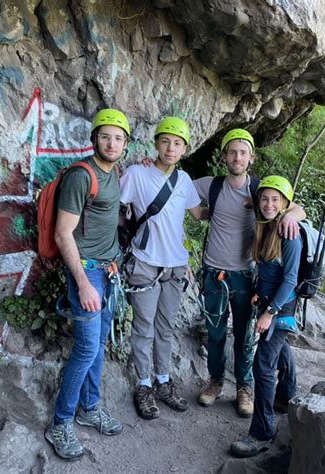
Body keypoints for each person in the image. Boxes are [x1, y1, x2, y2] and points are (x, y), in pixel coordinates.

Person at [193, 130, 305, 417]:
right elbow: (175, 187)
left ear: (251, 158)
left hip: (245, 276)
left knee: (244, 336)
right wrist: (204, 213)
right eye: (232, 152)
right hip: (214, 273)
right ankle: (215, 381)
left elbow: (291, 205)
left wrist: (292, 215)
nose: (237, 157)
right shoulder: (212, 186)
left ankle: (244, 387)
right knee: (216, 334)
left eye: (243, 152)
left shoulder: (258, 189)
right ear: (224, 157)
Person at [44, 109, 129, 460]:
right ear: (95, 138)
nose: (112, 143)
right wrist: (82, 283)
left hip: (108, 272)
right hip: (88, 274)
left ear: (125, 144)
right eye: (105, 136)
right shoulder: (83, 176)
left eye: (118, 138)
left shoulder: (115, 172)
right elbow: (63, 234)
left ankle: (89, 408)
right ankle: (60, 423)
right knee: (85, 348)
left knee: (97, 347)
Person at [119, 117, 202, 420]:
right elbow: (113, 204)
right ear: (155, 144)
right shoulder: (137, 174)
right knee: (144, 328)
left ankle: (163, 382)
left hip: (176, 266)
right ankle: (143, 385)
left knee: (165, 328)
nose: (170, 147)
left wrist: (244, 206)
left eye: (177, 143)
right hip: (144, 263)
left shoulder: (184, 181)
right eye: (165, 141)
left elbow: (198, 213)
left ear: (184, 150)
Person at [230, 175, 301, 458]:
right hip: (269, 300)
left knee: (262, 365)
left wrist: (269, 314)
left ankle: (261, 432)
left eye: (275, 199)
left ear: (285, 203)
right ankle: (286, 397)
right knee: (280, 349)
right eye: (264, 198)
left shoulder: (288, 233)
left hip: (281, 307)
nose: (269, 204)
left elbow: (290, 280)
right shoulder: (264, 226)